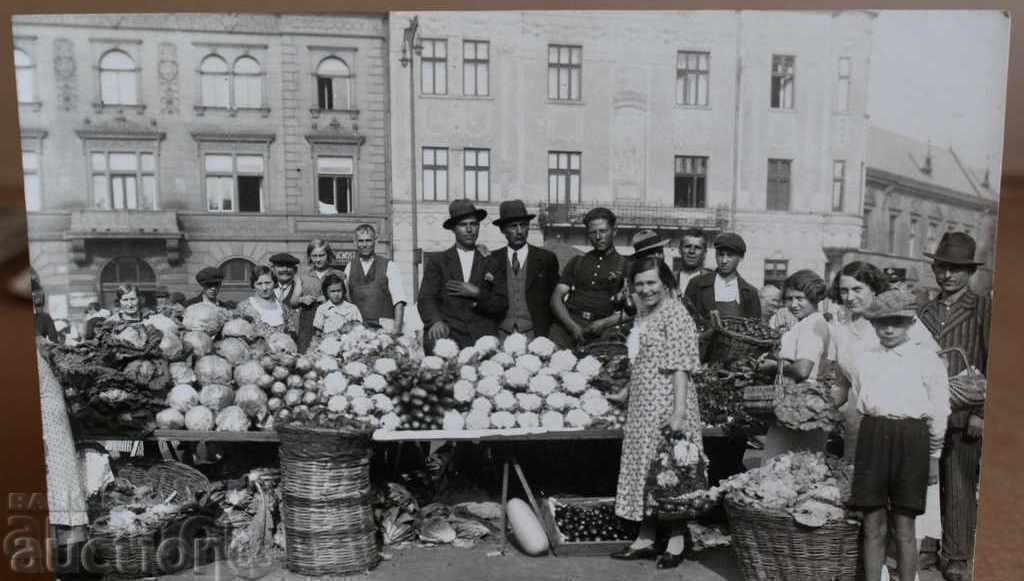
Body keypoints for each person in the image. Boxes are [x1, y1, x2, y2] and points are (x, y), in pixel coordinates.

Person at [842, 289, 949, 581]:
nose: (889, 329)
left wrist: (933, 457)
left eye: (897, 323)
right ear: (873, 323)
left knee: (905, 525)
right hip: (873, 436)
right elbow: (858, 403)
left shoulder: (926, 359)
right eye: (882, 323)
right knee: (872, 524)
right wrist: (854, 453)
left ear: (910, 323)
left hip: (912, 438)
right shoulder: (865, 360)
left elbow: (940, 410)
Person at [611, 258, 703, 569]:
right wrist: (626, 391)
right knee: (645, 470)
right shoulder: (645, 313)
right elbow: (643, 359)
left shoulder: (676, 313)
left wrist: (678, 413)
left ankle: (676, 541)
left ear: (665, 282)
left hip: (667, 401)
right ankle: (646, 537)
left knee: (670, 471)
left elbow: (681, 367)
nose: (646, 289)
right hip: (643, 406)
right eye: (639, 284)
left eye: (651, 282)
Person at [916, 232, 991, 581]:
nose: (947, 275)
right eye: (942, 267)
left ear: (970, 272)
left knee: (959, 482)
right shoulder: (924, 311)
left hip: (964, 414)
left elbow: (995, 362)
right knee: (926, 482)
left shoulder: (983, 308)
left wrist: (981, 413)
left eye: (956, 269)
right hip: (927, 411)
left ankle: (958, 555)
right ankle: (926, 548)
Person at [418, 199, 508, 349]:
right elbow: (426, 297)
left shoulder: (491, 261)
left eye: (474, 224)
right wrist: (435, 321)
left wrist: (478, 293)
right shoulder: (438, 261)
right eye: (463, 225)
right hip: (448, 333)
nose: (469, 230)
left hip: (483, 337)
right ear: (453, 229)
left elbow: (501, 303)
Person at [760, 270, 831, 460]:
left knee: (781, 461)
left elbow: (802, 369)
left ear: (814, 298)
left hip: (800, 404)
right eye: (789, 299)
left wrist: (773, 366)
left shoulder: (811, 326)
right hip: (800, 403)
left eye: (800, 298)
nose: (793, 304)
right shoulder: (808, 323)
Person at [550, 207, 631, 349]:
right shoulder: (577, 261)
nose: (598, 237)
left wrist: (605, 323)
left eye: (603, 231)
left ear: (614, 231)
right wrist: (572, 327)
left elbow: (635, 309)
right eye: (593, 232)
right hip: (568, 327)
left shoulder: (626, 265)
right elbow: (556, 298)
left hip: (603, 331)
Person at [489, 200, 560, 340]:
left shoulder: (546, 259)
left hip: (536, 335)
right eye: (513, 226)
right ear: (503, 230)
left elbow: (556, 300)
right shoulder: (492, 259)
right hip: (500, 335)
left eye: (523, 225)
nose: (519, 231)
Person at [683, 232, 761, 329]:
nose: (724, 261)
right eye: (720, 255)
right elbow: (685, 320)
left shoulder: (749, 293)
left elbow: (755, 328)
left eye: (730, 256)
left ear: (741, 257)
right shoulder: (696, 284)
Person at [344, 225, 408, 334]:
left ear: (375, 241)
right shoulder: (350, 266)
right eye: (361, 241)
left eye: (368, 240)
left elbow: (399, 301)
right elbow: (346, 300)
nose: (365, 245)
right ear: (355, 243)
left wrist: (397, 330)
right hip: (359, 328)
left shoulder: (389, 266)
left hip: (384, 327)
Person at [270, 253, 320, 352]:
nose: (285, 269)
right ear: (273, 269)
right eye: (280, 266)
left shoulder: (303, 292)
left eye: (289, 266)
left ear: (295, 270)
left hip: (298, 346)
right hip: (272, 346)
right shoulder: (267, 290)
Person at [235, 265, 293, 336]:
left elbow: (291, 333)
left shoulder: (283, 308)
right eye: (259, 284)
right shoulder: (244, 307)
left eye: (268, 283)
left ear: (274, 283)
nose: (264, 288)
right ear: (253, 285)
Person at [676, 228, 712, 293]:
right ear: (679, 250)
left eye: (697, 247)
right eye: (687, 246)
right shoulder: (670, 279)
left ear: (704, 253)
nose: (692, 251)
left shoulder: (712, 280)